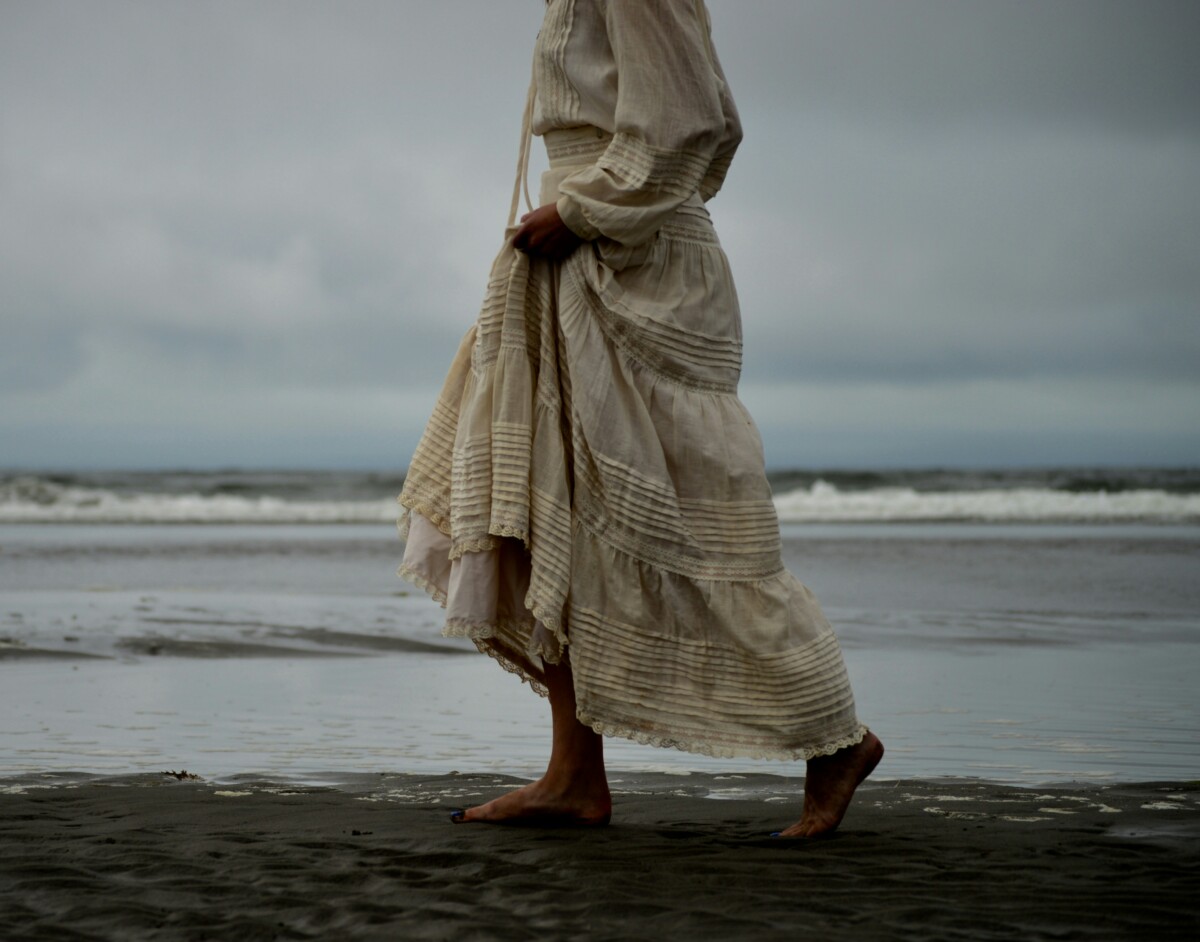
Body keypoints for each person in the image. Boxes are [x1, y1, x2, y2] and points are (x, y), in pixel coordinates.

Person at [398, 0, 882, 838]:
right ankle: (574, 774)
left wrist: (591, 208)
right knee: (560, 516)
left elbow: (696, 119)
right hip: (585, 242)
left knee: (690, 525)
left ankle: (834, 736)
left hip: (630, 259)